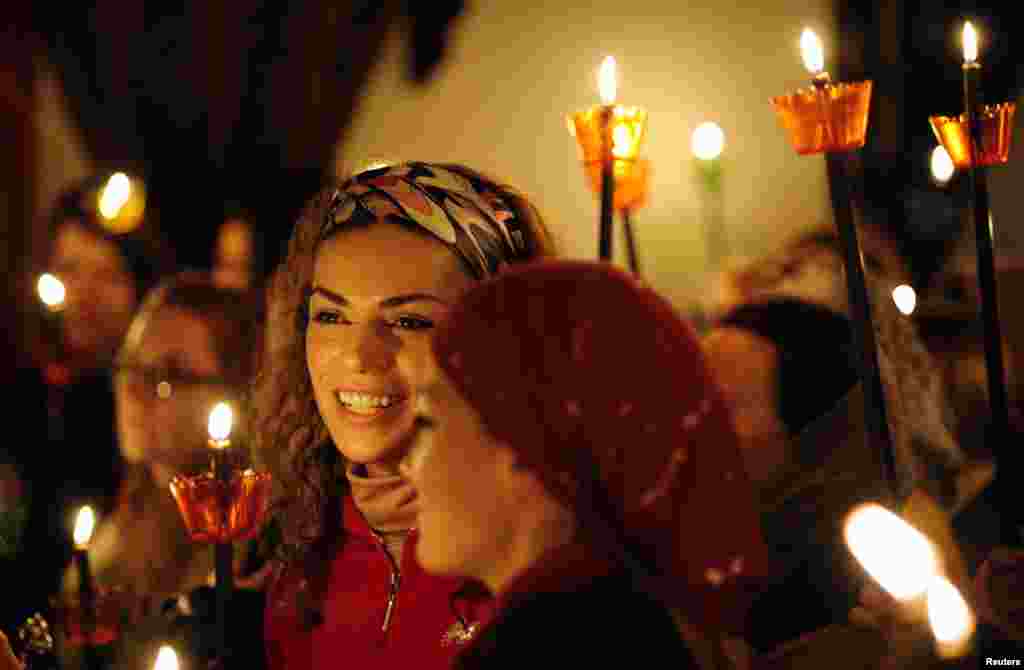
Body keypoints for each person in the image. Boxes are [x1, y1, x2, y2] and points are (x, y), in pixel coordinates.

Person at [255, 161, 557, 669]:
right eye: (330, 315)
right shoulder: (294, 553)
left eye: (409, 320)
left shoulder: (534, 564)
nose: (358, 356)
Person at [398, 259, 770, 668]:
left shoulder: (542, 647)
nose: (407, 466)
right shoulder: (643, 618)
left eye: (428, 422)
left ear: (523, 449)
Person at [57, 271, 266, 669]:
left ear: (234, 391)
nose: (134, 390)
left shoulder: (248, 549)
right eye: (130, 366)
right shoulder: (116, 526)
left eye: (169, 375)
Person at [3, 174, 172, 632]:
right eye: (70, 268)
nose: (85, 295)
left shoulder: (148, 405)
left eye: (108, 274)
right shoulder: (20, 395)